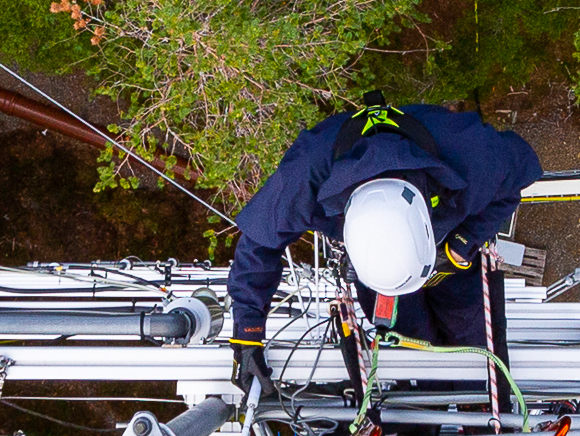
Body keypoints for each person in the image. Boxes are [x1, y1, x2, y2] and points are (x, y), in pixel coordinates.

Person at [222, 101, 541, 398]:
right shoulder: (304, 178)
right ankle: (433, 397)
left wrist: (460, 246)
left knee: (471, 337)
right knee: (410, 340)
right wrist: (247, 334)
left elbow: (516, 181)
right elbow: (259, 242)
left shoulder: (472, 157)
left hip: (451, 256)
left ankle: (473, 398)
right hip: (377, 272)